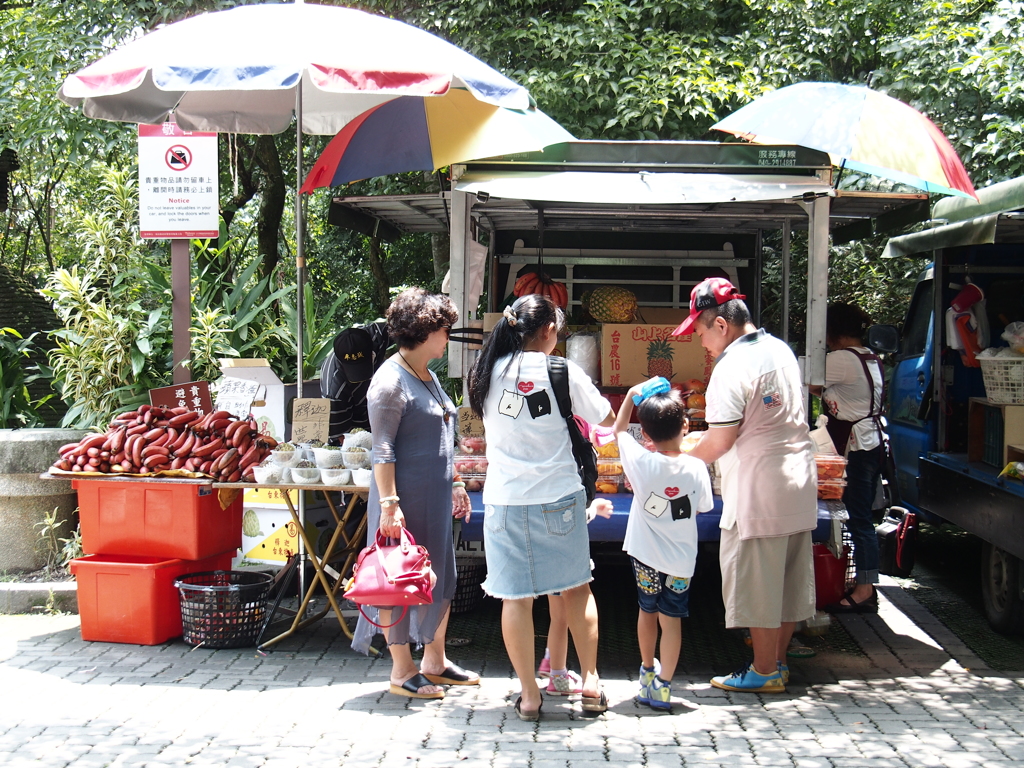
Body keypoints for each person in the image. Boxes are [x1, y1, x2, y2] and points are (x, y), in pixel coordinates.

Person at [468, 294, 614, 720]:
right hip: (559, 497)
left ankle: (530, 696)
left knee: (515, 599)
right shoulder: (562, 371)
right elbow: (604, 416)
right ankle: (589, 682)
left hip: (505, 500)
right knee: (576, 589)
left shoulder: (484, 372)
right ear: (549, 330)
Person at [681, 277, 817, 693]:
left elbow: (721, 440)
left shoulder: (732, 367)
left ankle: (762, 670)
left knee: (757, 584)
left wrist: (674, 459)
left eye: (701, 331)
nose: (701, 342)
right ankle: (775, 663)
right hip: (798, 479)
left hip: (758, 488)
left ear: (721, 325)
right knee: (789, 582)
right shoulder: (780, 349)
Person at [352, 288, 479, 700]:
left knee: (437, 578)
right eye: (445, 329)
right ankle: (401, 669)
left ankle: (435, 661)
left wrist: (457, 481)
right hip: (402, 500)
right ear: (427, 330)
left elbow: (444, 432)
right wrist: (389, 505)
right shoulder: (389, 381)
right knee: (398, 579)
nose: (449, 337)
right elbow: (382, 450)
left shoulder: (427, 373)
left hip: (436, 498)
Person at [613, 380, 713, 710]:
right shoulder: (697, 467)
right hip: (681, 562)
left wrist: (630, 396)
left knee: (647, 610)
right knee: (672, 619)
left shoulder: (641, 461)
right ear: (686, 426)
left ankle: (645, 671)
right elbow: (703, 508)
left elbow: (618, 431)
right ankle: (664, 685)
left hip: (645, 557)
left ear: (646, 433)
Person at [810, 303, 885, 613]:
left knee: (859, 517)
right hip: (870, 443)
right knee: (860, 515)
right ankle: (864, 583)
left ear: (834, 332)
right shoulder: (868, 356)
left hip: (858, 447)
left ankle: (865, 589)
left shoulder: (842, 359)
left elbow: (811, 383)